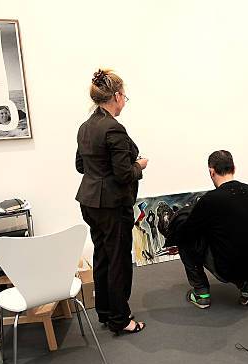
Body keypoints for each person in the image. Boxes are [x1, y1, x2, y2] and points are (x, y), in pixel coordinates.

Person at [75, 68, 148, 334]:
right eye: (124, 97)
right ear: (116, 96)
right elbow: (123, 174)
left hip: (90, 202)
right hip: (112, 205)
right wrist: (139, 165)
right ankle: (120, 318)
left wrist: (100, 172)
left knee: (103, 256)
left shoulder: (85, 127)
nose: (124, 102)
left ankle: (105, 312)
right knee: (118, 259)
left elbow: (80, 165)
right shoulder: (114, 128)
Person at [173, 150, 248, 309]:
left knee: (184, 238)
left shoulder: (210, 200)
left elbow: (186, 233)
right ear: (234, 168)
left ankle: (201, 293)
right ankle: (246, 285)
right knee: (237, 240)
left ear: (211, 172)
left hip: (228, 269)